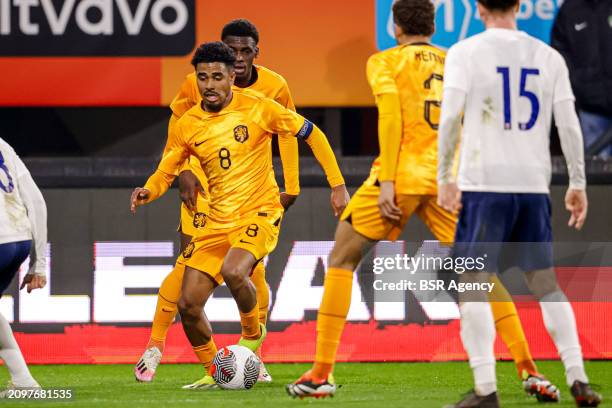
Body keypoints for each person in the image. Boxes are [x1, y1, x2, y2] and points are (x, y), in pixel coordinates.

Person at [286, 0, 557, 400]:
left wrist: (391, 182)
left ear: (395, 26)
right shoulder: (459, 59)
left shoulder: (385, 61)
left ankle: (322, 372)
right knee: (478, 272)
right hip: (450, 178)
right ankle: (529, 369)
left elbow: (392, 117)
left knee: (342, 257)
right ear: (433, 25)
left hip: (403, 172)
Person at [131, 41, 349, 389]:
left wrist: (337, 185)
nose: (210, 85)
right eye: (203, 78)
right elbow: (166, 170)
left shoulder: (261, 108)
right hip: (217, 222)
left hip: (259, 212)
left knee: (235, 270)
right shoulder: (188, 124)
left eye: (217, 76)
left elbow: (314, 135)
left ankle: (251, 337)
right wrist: (149, 190)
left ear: (232, 76)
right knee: (188, 305)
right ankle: (215, 371)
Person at [437, 0, 602, 406]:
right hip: (531, 185)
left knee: (472, 284)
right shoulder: (548, 56)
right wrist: (577, 181)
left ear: (478, 9)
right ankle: (578, 379)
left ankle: (485, 390)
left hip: (484, 185)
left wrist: (444, 177)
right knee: (545, 284)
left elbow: (450, 117)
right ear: (519, 6)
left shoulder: (465, 52)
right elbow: (568, 123)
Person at [0, 137, 47, 395]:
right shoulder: (3, 145)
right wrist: (38, 264)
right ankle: (24, 381)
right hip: (18, 240)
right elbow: (36, 201)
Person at [551, 0, 612, 158]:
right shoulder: (570, 9)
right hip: (591, 110)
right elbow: (560, 54)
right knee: (597, 175)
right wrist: (577, 89)